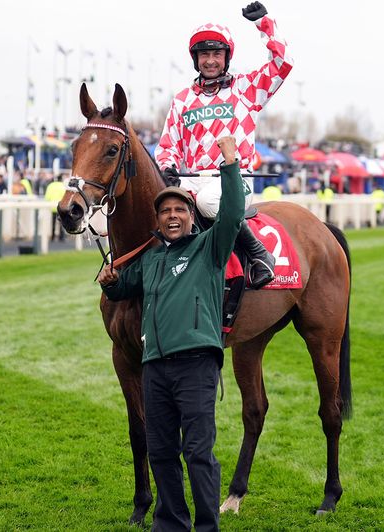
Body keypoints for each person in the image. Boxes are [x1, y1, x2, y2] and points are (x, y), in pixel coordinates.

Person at [97, 137, 243, 532]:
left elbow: (231, 214)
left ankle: (206, 526)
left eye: (180, 210)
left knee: (198, 453)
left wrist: (230, 165)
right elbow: (122, 290)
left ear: (192, 218)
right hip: (156, 369)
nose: (173, 216)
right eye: (166, 211)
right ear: (157, 220)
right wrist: (111, 281)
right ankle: (170, 525)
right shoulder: (152, 260)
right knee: (161, 452)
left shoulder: (209, 248)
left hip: (196, 364)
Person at [154, 1, 292, 289]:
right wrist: (167, 167)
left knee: (207, 202)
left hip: (233, 182)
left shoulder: (247, 89)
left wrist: (264, 23)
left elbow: (282, 64)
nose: (210, 61)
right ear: (196, 59)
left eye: (216, 53)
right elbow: (168, 144)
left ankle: (258, 253)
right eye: (204, 54)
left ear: (226, 57)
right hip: (192, 182)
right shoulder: (182, 100)